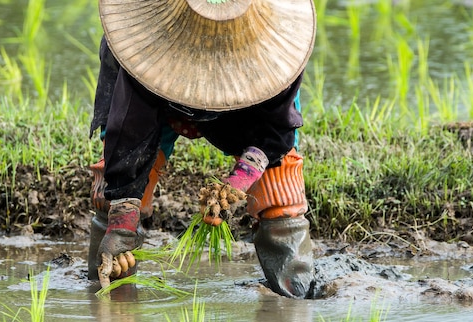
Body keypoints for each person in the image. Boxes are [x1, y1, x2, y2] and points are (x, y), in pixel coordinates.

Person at [87, 0, 317, 299]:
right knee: (113, 196)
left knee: (279, 195)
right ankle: (108, 294)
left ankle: (295, 295)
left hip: (246, 96)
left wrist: (239, 182)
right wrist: (121, 219)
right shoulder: (138, 46)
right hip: (155, 80)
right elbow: (129, 134)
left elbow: (273, 129)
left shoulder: (278, 48)